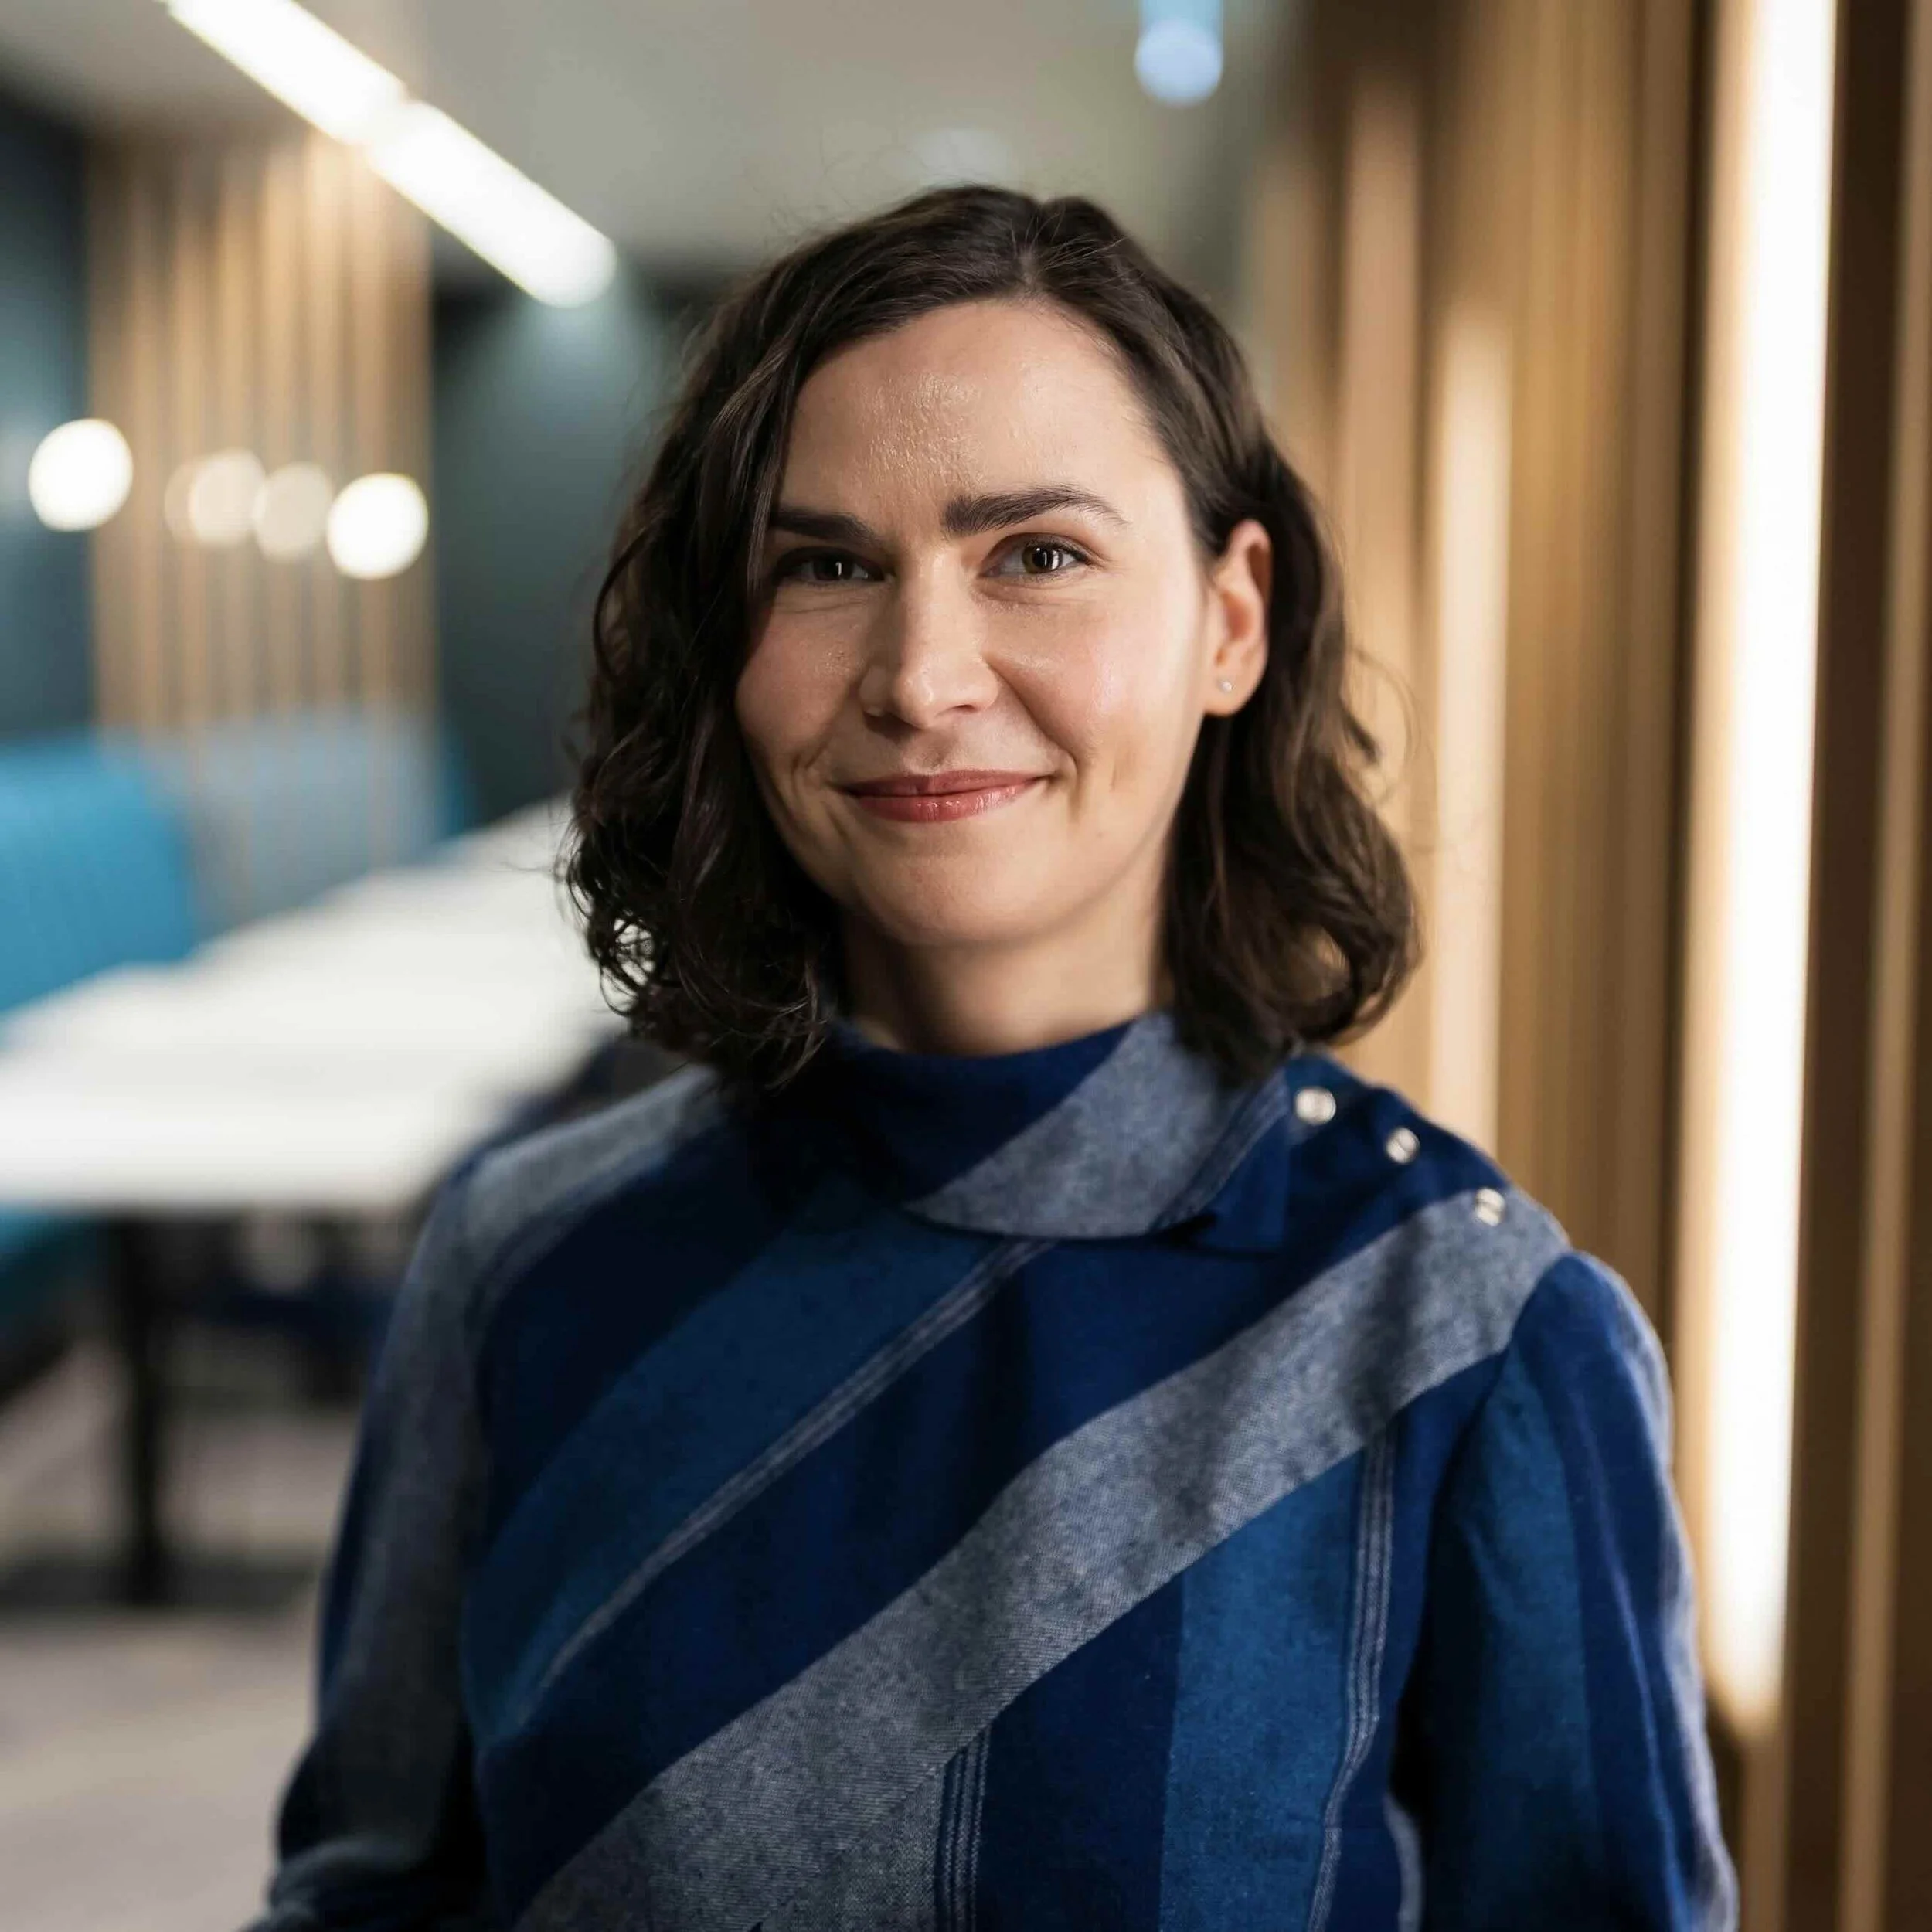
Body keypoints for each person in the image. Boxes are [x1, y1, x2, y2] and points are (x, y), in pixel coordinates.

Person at [251, 185, 1736, 1931]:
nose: (921, 676)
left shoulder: (1466, 1326)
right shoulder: (523, 1258)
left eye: (1036, 554)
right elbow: (367, 1890)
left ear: (1230, 620)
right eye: (826, 567)